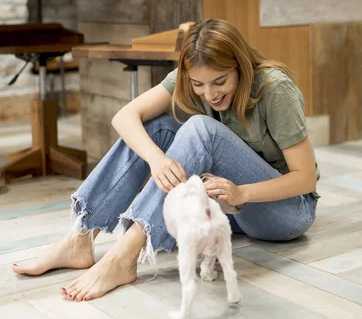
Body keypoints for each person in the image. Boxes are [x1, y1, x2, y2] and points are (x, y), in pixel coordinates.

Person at [12, 18, 319, 301]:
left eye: (220, 82)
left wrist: (244, 193)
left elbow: (305, 178)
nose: (209, 94)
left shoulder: (274, 88)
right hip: (229, 208)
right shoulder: (193, 74)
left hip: (286, 213)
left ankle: (123, 257)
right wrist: (156, 159)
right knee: (156, 126)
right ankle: (80, 237)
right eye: (199, 85)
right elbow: (125, 116)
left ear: (240, 66)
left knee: (201, 129)